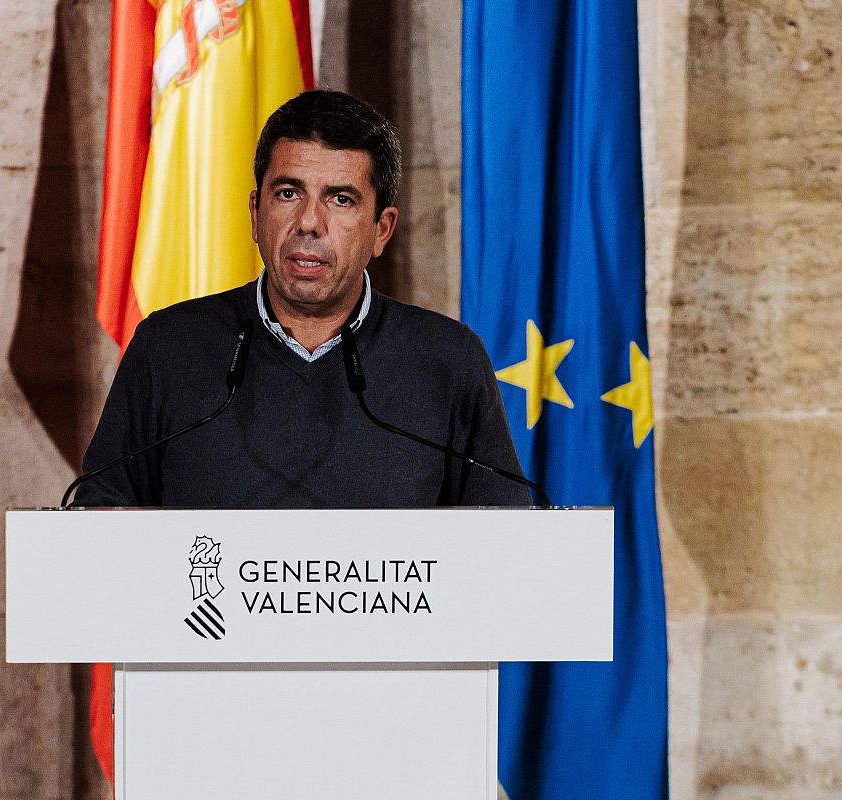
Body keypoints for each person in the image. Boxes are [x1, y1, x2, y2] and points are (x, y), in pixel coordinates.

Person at [75, 90, 529, 508]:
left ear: (382, 230)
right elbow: (99, 526)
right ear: (256, 214)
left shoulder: (447, 359)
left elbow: (505, 546)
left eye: (341, 199)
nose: (309, 223)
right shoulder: (168, 347)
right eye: (288, 193)